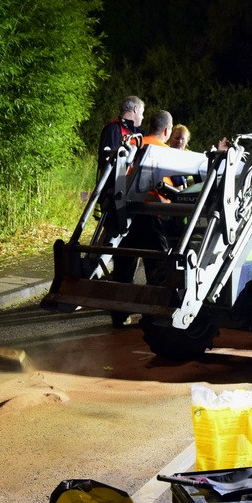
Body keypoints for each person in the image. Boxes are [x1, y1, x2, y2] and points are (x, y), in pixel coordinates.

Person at [108, 110, 176, 328]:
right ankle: (152, 314)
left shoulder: (134, 143)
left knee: (124, 265)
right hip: (152, 215)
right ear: (167, 130)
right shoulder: (167, 152)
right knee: (157, 267)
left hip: (125, 213)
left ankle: (120, 314)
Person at [96, 95, 145, 183]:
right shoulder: (114, 129)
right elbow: (108, 162)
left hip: (124, 184)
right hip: (113, 186)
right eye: (142, 113)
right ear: (136, 109)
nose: (143, 117)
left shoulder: (133, 131)